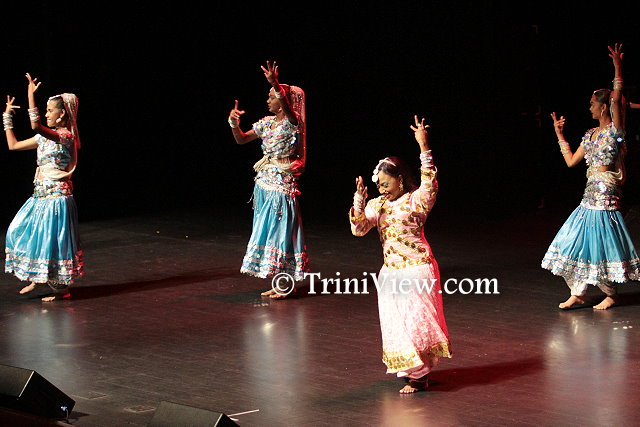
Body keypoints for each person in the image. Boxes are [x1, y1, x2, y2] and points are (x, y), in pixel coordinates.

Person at [349, 115, 452, 393]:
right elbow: (359, 229)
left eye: (386, 184)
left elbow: (429, 182)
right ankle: (412, 371)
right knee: (397, 325)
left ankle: (420, 375)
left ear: (400, 180)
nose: (382, 189)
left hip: (417, 269)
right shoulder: (378, 204)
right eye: (379, 185)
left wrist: (423, 146)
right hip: (390, 272)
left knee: (416, 322)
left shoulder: (416, 200)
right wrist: (359, 200)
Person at [541, 44, 640, 310]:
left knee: (601, 244)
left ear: (603, 107)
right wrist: (559, 135)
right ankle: (579, 291)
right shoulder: (590, 135)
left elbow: (617, 99)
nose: (589, 108)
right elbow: (571, 161)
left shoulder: (615, 132)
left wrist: (617, 68)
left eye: (592, 104)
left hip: (606, 196)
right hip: (588, 196)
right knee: (572, 240)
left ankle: (610, 293)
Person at [228, 61, 309, 298]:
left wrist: (276, 84)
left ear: (283, 101)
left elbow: (289, 110)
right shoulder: (266, 123)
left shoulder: (293, 122)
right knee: (268, 232)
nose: (268, 101)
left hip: (282, 185)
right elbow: (241, 139)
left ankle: (285, 283)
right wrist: (234, 123)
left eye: (271, 97)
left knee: (281, 232)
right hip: (264, 183)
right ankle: (278, 280)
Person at [3, 73, 83, 302]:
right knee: (19, 231)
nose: (47, 114)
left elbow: (35, 125)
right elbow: (13, 145)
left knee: (52, 243)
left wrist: (30, 96)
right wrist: (7, 117)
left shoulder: (65, 136)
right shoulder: (44, 138)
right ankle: (37, 278)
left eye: (50, 110)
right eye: (45, 110)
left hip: (57, 199)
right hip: (40, 196)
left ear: (62, 114)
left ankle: (61, 289)